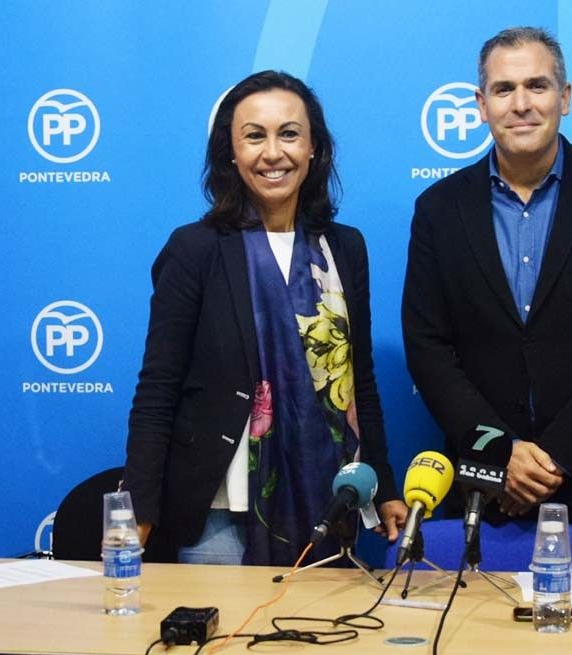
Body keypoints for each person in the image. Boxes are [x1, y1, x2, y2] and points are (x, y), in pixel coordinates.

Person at [402, 27, 572, 573]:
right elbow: (428, 346)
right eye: (503, 89)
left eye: (537, 86)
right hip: (479, 491)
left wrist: (552, 459)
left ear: (565, 98)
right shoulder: (438, 209)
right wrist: (502, 454)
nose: (521, 104)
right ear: (481, 105)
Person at [123, 70, 407, 566]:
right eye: (254, 136)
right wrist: (139, 511)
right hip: (219, 519)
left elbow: (359, 383)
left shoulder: (345, 247)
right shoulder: (196, 249)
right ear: (230, 153)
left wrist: (381, 482)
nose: (273, 153)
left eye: (289, 134)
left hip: (330, 504)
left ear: (314, 147)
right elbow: (157, 390)